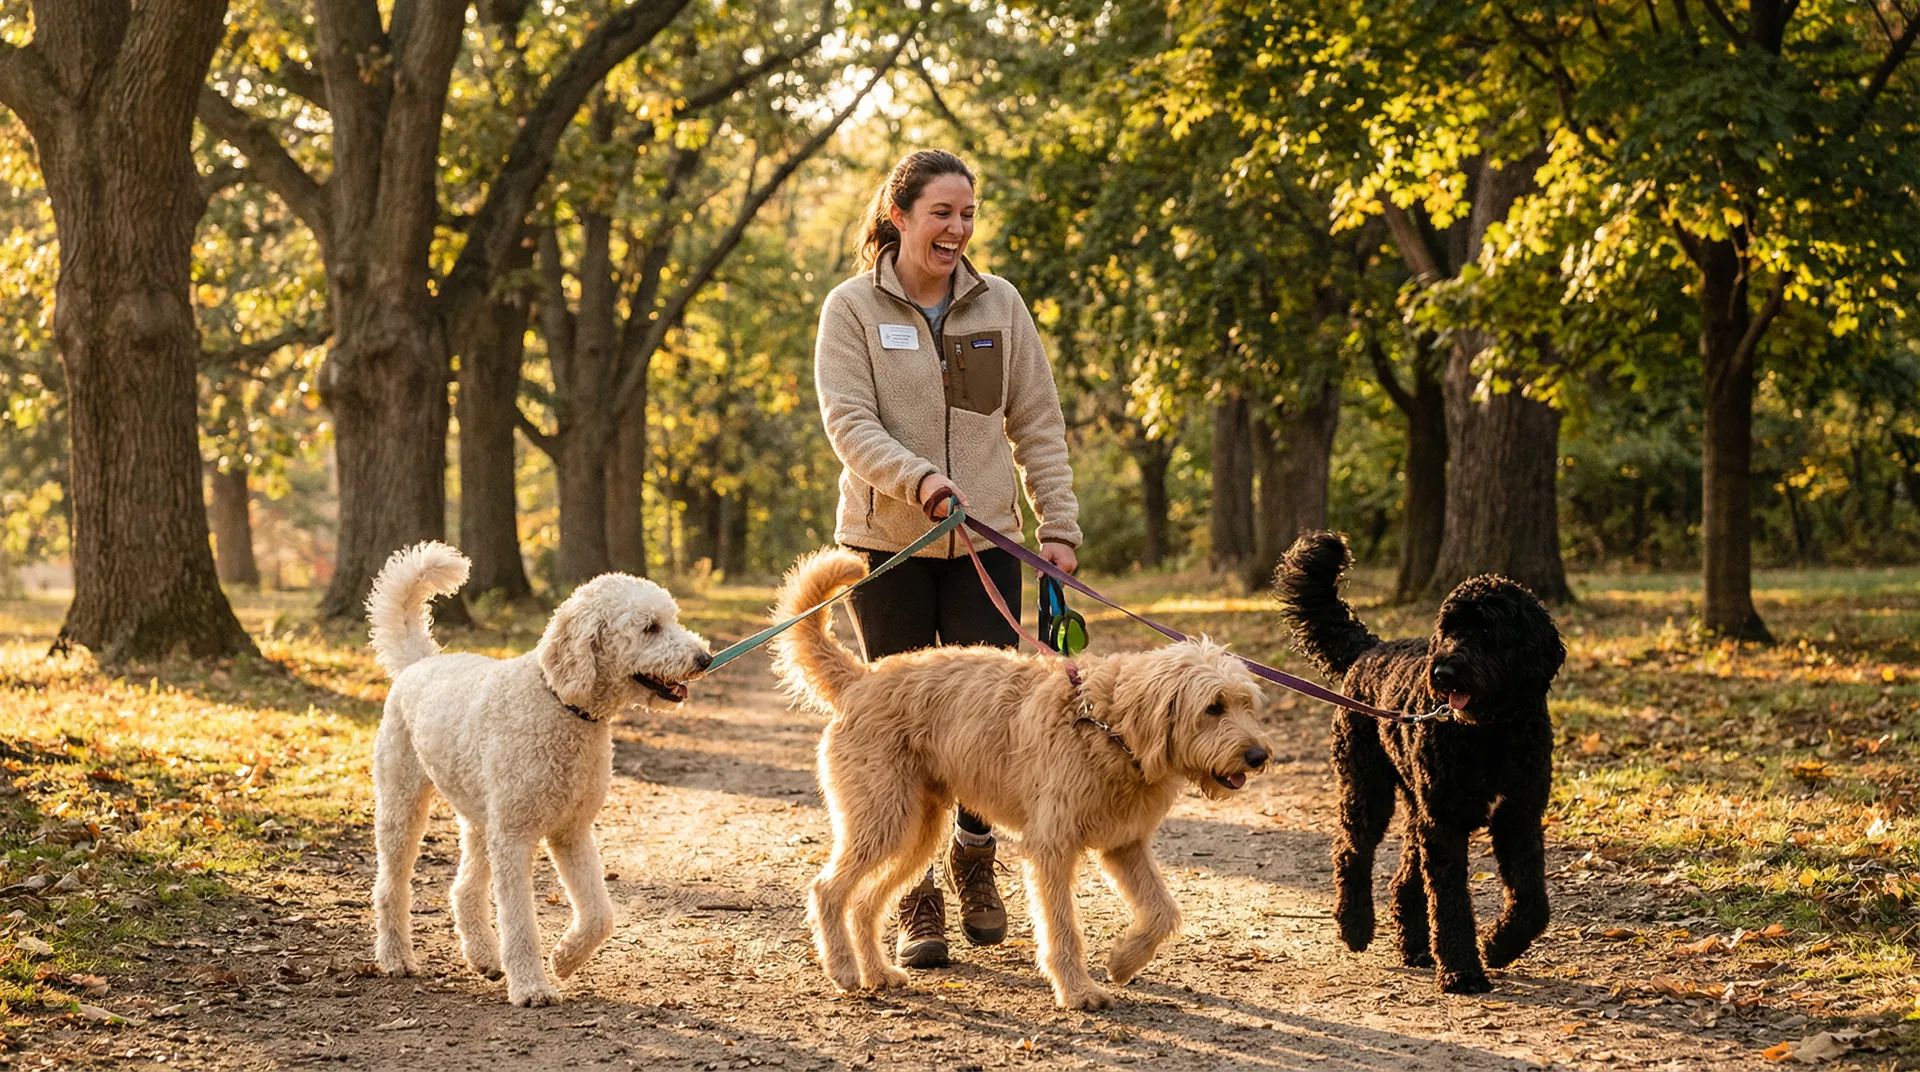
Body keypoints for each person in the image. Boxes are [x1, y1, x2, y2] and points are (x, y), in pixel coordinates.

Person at [811, 149, 1081, 969]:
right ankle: (915, 899)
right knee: (902, 729)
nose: (957, 228)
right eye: (942, 213)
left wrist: (1058, 526)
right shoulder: (852, 308)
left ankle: (975, 857)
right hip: (887, 548)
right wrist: (919, 480)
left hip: (986, 544)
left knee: (991, 726)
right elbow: (848, 422)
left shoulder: (1000, 303)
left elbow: (1037, 421)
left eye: (968, 214)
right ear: (900, 215)